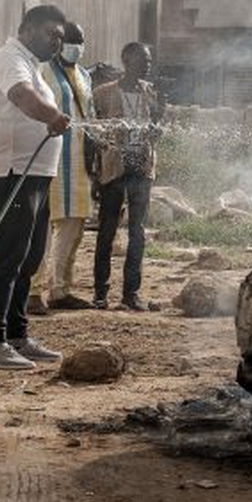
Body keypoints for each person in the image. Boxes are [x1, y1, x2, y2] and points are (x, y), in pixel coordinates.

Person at [0, 5, 72, 369]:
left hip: (33, 177)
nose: (57, 42)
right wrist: (52, 116)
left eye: (60, 37)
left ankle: (18, 335)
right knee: (7, 258)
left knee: (29, 258)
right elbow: (20, 96)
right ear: (27, 29)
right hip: (9, 172)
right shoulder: (10, 59)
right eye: (51, 34)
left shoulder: (34, 65)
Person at [92, 42, 165, 312]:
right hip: (114, 169)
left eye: (148, 59)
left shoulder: (152, 93)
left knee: (138, 234)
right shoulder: (103, 94)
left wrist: (158, 125)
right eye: (141, 59)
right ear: (126, 60)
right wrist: (94, 175)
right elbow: (95, 136)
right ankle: (101, 293)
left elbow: (157, 130)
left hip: (142, 168)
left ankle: (130, 293)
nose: (147, 64)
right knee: (107, 232)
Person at [37, 22, 97, 313]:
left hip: (79, 163)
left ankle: (60, 290)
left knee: (73, 227)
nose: (77, 46)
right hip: (49, 159)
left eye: (81, 41)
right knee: (42, 230)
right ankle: (33, 291)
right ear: (60, 43)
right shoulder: (42, 71)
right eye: (72, 40)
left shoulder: (84, 76)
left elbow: (91, 116)